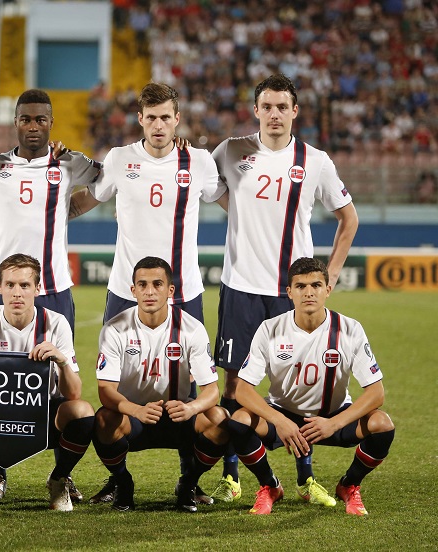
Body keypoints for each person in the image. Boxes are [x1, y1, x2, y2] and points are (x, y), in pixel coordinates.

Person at [69, 82, 221, 504]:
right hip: (124, 289)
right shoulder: (119, 160)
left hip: (184, 290)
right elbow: (87, 200)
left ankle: (190, 480)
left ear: (177, 119)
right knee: (116, 389)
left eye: (165, 117)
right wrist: (46, 210)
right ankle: (118, 478)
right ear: (140, 119)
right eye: (150, 117)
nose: (158, 125)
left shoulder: (200, 161)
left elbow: (231, 198)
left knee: (188, 394)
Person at [210, 73, 359, 502]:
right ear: (255, 110)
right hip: (240, 288)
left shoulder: (316, 161)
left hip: (291, 293)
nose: (274, 114)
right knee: (237, 383)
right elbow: (208, 186)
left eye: (282, 107)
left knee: (296, 386)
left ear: (295, 112)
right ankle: (234, 475)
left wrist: (329, 274)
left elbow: (349, 219)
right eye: (267, 107)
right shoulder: (232, 151)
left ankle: (305, 478)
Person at [0, 88, 101, 501]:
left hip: (54, 289)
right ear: (15, 122)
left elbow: (107, 182)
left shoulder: (69, 163)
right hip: (0, 292)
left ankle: (61, 474)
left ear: (51, 124)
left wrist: (68, 210)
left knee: (57, 384)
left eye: (41, 120)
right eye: (26, 119)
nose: (34, 126)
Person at [226, 257, 394, 516]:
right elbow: (243, 389)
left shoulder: (350, 330)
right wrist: (279, 420)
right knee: (239, 420)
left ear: (327, 290)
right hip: (283, 414)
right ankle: (270, 486)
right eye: (301, 286)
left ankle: (349, 485)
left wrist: (333, 424)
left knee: (382, 424)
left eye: (316, 285)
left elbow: (376, 393)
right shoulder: (270, 329)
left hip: (333, 415)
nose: (308, 292)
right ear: (289, 292)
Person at [0, 254, 95, 512]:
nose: (17, 293)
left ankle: (59, 479)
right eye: (11, 285)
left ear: (37, 289)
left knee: (82, 412)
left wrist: (61, 361)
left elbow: (74, 394)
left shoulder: (56, 323)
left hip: (41, 416)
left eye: (25, 286)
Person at [92, 256, 229, 512]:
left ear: (170, 290)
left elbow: (212, 391)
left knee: (219, 419)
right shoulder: (114, 329)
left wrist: (191, 408)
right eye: (142, 285)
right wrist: (135, 410)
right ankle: (123, 483)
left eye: (157, 284)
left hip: (178, 416)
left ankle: (188, 483)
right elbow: (105, 390)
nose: (150, 291)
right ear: (133, 291)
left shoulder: (191, 329)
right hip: (133, 419)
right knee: (103, 420)